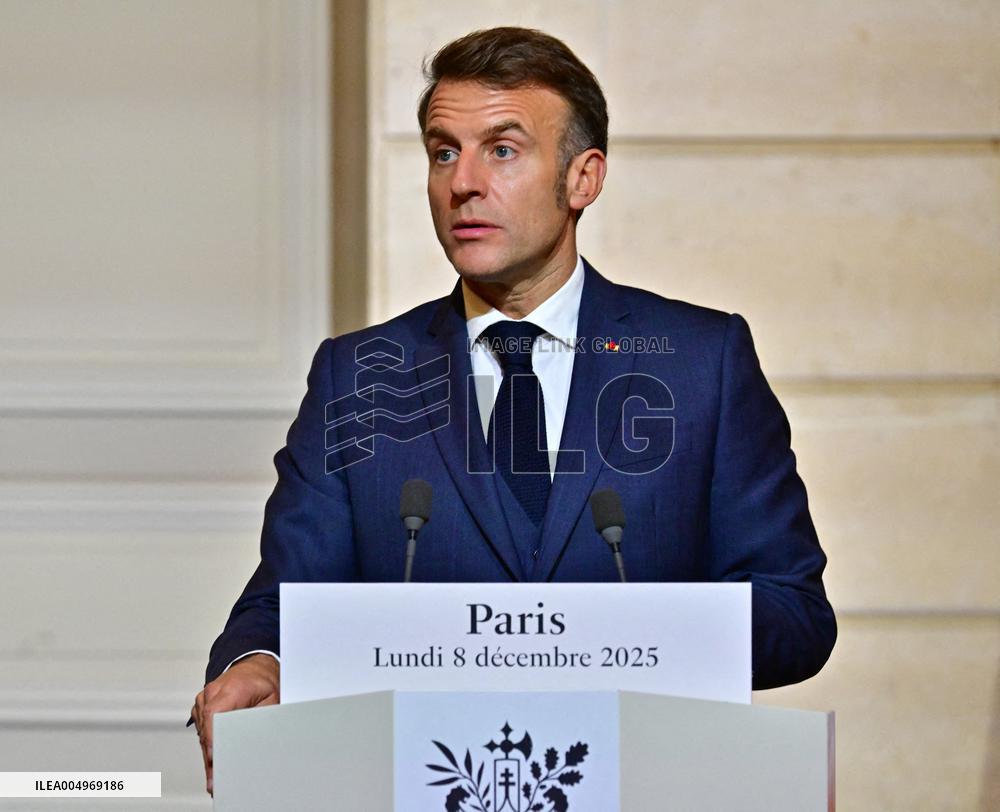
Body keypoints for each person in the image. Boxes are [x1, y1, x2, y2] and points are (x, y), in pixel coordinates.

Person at [191, 27, 836, 794]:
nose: (463, 182)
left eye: (502, 150)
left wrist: (606, 639)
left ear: (582, 178)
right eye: (443, 152)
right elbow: (285, 600)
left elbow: (794, 613)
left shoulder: (701, 361)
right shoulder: (357, 375)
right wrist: (258, 663)